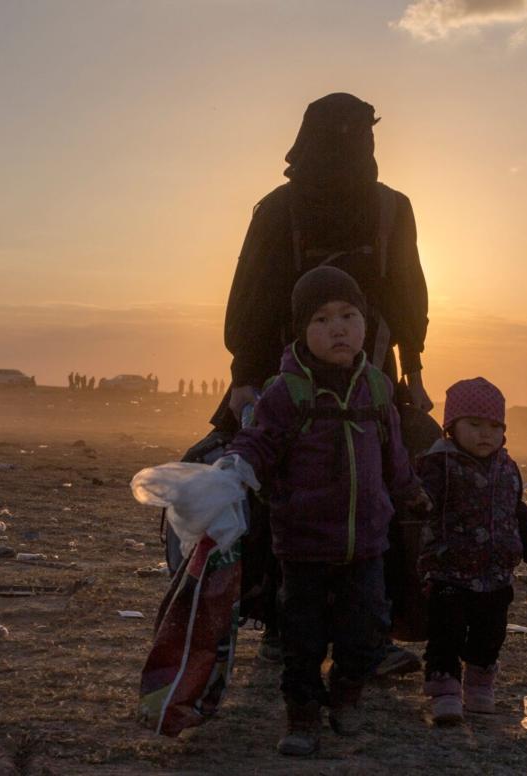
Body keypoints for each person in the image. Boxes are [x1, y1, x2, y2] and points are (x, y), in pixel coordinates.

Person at [216, 93, 435, 676]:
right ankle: (282, 626)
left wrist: (410, 372)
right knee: (281, 497)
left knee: (377, 494)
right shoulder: (278, 210)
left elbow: (407, 293)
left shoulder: (391, 209)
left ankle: (371, 630)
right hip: (284, 380)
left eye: (358, 132)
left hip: (371, 379)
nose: (349, 145)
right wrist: (244, 378)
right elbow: (253, 298)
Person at [225, 267, 430, 757]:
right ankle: (301, 718)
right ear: (302, 331)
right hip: (303, 546)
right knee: (301, 641)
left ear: (365, 323)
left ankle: (345, 695)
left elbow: (395, 457)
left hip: (367, 544)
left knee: (366, 635)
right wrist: (235, 468)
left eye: (348, 315)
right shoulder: (286, 391)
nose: (338, 328)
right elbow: (259, 441)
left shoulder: (378, 388)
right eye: (321, 319)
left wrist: (411, 495)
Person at [417, 378, 527, 725]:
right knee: (445, 631)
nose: (486, 434)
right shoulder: (438, 465)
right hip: (449, 569)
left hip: (496, 573)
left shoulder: (507, 467)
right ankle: (445, 691)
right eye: (474, 425)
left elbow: (517, 511)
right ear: (451, 427)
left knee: (490, 633)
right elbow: (419, 504)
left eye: (494, 426)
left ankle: (479, 686)